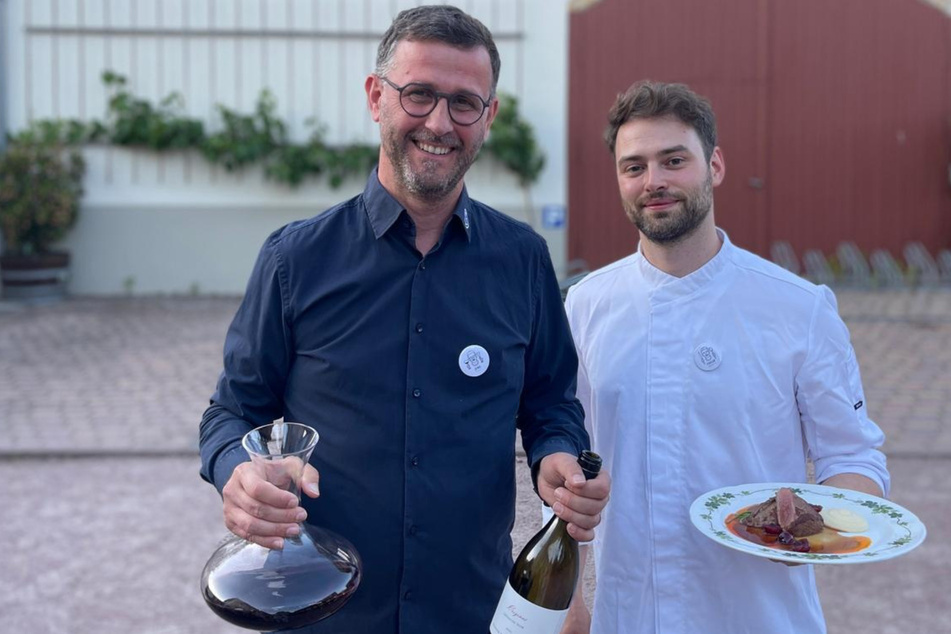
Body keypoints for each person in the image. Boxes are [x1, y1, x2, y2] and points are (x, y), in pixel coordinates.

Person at [198, 6, 610, 633]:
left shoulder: (522, 260)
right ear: (376, 97)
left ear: (488, 116)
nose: (439, 123)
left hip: (470, 611)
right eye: (418, 95)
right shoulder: (296, 260)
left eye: (464, 103)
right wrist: (238, 473)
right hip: (324, 610)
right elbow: (231, 412)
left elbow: (551, 401)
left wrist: (555, 455)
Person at [561, 80, 889, 633]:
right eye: (634, 166)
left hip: (762, 617)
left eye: (674, 160)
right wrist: (572, 608)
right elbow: (569, 468)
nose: (654, 181)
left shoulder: (798, 307)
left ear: (714, 166)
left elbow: (856, 459)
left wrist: (816, 527)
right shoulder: (585, 306)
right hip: (629, 616)